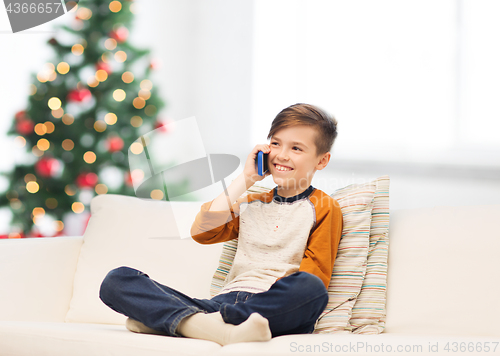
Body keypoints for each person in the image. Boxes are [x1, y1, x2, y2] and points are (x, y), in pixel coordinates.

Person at [99, 103, 343, 345]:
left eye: (296, 148)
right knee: (117, 281)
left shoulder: (324, 206)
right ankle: (209, 325)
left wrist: (268, 300)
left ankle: (180, 321)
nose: (282, 155)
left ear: (321, 161)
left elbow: (315, 275)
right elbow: (201, 232)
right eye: (276, 143)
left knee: (310, 288)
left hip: (272, 307)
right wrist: (245, 179)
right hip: (223, 303)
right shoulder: (251, 201)